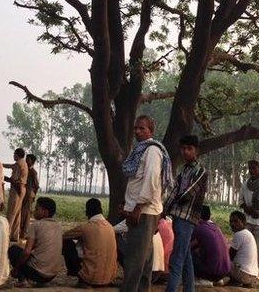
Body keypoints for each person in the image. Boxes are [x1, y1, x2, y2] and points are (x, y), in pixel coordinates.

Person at [120, 115, 173, 292]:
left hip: (144, 211)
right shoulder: (141, 150)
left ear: (151, 131)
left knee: (134, 261)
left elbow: (151, 180)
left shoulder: (152, 151)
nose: (137, 131)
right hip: (144, 210)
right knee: (144, 259)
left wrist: (137, 208)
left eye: (142, 128)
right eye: (135, 128)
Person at [164, 135, 208, 292]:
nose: (185, 152)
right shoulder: (184, 171)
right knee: (186, 257)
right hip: (177, 217)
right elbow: (174, 191)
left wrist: (173, 202)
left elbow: (187, 195)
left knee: (176, 259)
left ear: (196, 150)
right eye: (183, 148)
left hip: (187, 219)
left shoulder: (201, 171)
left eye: (189, 148)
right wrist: (164, 210)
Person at [62, 198, 117, 287]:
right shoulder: (110, 227)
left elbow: (64, 236)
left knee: (67, 243)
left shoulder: (85, 228)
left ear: (87, 212)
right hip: (109, 277)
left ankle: (76, 273)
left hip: (90, 278)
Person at [8, 197, 62, 287]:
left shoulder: (36, 225)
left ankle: (23, 280)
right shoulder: (58, 226)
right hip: (52, 275)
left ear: (45, 212)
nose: (34, 211)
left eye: (37, 209)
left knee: (13, 250)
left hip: (38, 273)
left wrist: (16, 269)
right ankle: (40, 281)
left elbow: (27, 252)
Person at [191, 205, 231, 285]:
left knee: (186, 254)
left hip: (211, 272)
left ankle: (203, 280)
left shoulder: (198, 227)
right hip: (224, 272)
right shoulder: (215, 227)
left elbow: (188, 247)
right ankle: (217, 280)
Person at [229, 211, 259, 287]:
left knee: (222, 262)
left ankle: (235, 281)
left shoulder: (239, 234)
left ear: (244, 222)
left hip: (243, 275)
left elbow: (230, 256)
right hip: (254, 276)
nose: (233, 224)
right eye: (231, 221)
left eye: (236, 221)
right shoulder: (248, 233)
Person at [4, 148, 29, 241]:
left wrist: (2, 177)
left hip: (17, 188)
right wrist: (0, 165)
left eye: (14, 154)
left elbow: (13, 180)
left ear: (17, 155)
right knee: (17, 213)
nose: (13, 156)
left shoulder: (18, 164)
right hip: (22, 188)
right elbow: (10, 166)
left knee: (11, 212)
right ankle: (14, 236)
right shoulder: (23, 163)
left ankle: (6, 234)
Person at [20, 153, 39, 239]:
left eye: (28, 159)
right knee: (23, 212)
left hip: (29, 194)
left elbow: (36, 185)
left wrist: (33, 195)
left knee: (26, 213)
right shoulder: (26, 169)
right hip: (25, 193)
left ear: (32, 161)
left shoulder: (33, 172)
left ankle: (23, 233)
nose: (26, 161)